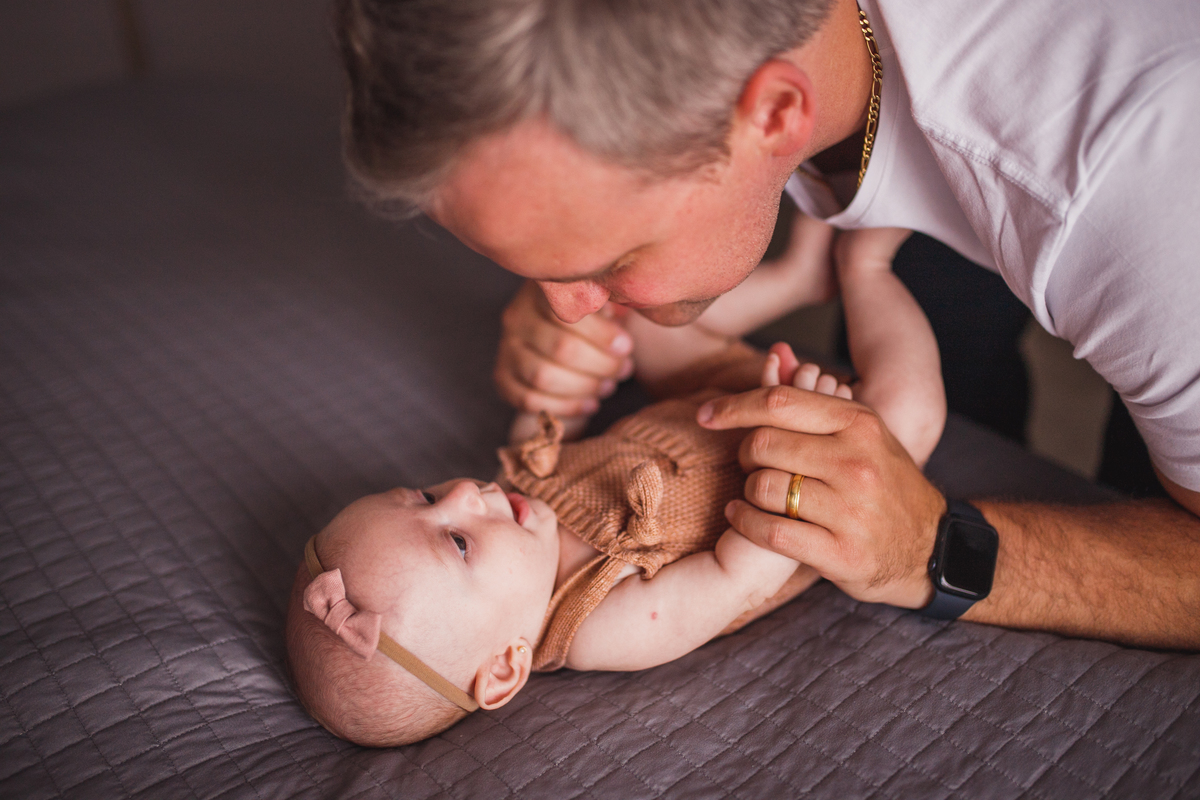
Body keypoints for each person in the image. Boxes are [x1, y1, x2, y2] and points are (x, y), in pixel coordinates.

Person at [333, 0, 1200, 649]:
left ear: (776, 116)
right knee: (956, 332)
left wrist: (931, 546)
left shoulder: (1138, 207)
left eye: (603, 261)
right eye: (532, 269)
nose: (557, 306)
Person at [286, 225, 939, 745]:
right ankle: (866, 270)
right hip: (793, 487)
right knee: (908, 419)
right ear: (507, 666)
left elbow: (555, 403)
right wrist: (799, 455)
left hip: (707, 402)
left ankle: (795, 278)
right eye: (457, 543)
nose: (463, 493)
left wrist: (574, 359)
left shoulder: (518, 490)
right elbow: (737, 576)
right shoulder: (602, 627)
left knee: (642, 321)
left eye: (424, 497)